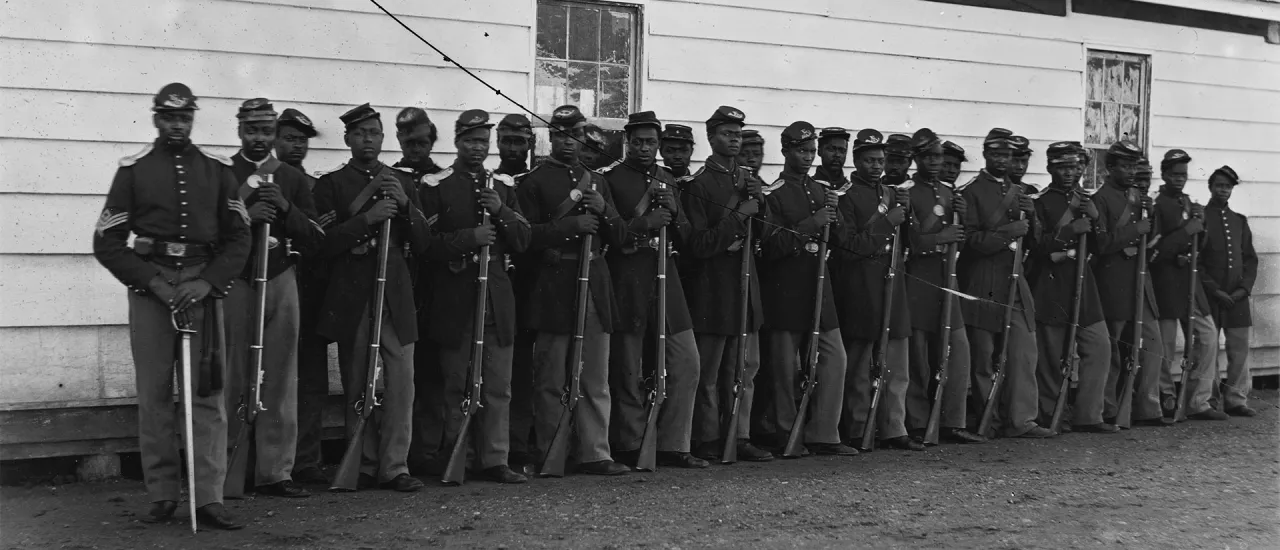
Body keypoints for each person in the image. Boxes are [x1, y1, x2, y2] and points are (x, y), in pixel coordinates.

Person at [92, 83, 249, 529]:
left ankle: (209, 497)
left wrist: (208, 282)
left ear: (192, 119)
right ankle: (162, 494)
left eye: (184, 118)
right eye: (169, 117)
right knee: (155, 394)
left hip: (201, 287)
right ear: (156, 118)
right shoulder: (134, 170)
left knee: (207, 395)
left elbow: (239, 236)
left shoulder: (217, 170)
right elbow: (107, 241)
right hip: (151, 290)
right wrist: (155, 284)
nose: (177, 125)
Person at [312, 103, 432, 491]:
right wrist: (368, 219)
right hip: (354, 293)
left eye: (375, 133)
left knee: (402, 383)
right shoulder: (330, 185)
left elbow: (424, 242)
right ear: (348, 138)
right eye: (361, 133)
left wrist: (405, 205)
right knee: (357, 380)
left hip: (395, 292)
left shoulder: (402, 181)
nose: (368, 140)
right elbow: (322, 244)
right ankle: (362, 462)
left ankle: (395, 465)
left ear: (384, 139)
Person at [418, 110, 532, 483]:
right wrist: (470, 239)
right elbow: (425, 246)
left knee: (498, 385)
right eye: (470, 141)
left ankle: (495, 459)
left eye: (482, 141)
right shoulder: (436, 186)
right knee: (457, 384)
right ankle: (460, 458)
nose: (477, 148)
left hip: (496, 296)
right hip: (456, 297)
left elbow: (523, 239)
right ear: (457, 142)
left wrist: (500, 210)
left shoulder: (503, 186)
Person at [516, 105, 630, 476]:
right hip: (554, 283)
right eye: (561, 135)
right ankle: (552, 450)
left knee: (594, 375)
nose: (569, 142)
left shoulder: (597, 182)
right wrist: (569, 228)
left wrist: (604, 210)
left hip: (594, 280)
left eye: (576, 135)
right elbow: (524, 238)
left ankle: (595, 452)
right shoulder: (534, 182)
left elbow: (621, 236)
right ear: (551, 137)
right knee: (551, 375)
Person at [224, 98, 324, 498]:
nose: (259, 138)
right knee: (234, 374)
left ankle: (275, 471)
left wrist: (284, 206)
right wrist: (247, 216)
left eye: (266, 131)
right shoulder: (223, 173)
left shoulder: (291, 178)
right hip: (236, 280)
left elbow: (316, 238)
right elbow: (209, 233)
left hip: (281, 277)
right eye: (251, 130)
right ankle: (230, 468)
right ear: (239, 131)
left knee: (281, 378)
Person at [601, 111, 706, 469]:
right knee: (629, 365)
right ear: (627, 141)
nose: (645, 148)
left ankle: (674, 444)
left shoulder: (668, 179)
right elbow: (609, 234)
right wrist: (644, 223)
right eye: (638, 141)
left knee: (686, 361)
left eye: (651, 142)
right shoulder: (611, 178)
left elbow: (688, 236)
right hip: (628, 276)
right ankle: (630, 443)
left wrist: (674, 213)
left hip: (666, 275)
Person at [757, 120, 857, 457]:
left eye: (812, 151)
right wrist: (810, 225)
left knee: (834, 358)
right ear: (785, 151)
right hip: (786, 289)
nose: (808, 156)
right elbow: (770, 246)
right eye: (802, 151)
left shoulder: (821, 191)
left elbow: (841, 241)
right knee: (785, 368)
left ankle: (824, 433)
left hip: (819, 287)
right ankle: (787, 433)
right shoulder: (774, 194)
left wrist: (834, 216)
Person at [682, 106, 772, 463]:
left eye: (737, 134)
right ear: (711, 137)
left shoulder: (750, 181)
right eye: (726, 134)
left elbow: (766, 235)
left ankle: (741, 434)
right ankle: (707, 437)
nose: (733, 140)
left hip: (746, 288)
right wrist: (739, 216)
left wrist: (759, 202)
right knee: (709, 372)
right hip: (713, 291)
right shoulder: (699, 184)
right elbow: (699, 244)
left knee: (745, 369)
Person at [958, 128, 1054, 439]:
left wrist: (1032, 218)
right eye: (997, 154)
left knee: (1024, 351)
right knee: (985, 356)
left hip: (1015, 278)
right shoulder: (971, 192)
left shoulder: (1021, 192)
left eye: (1008, 156)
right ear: (986, 154)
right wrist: (1007, 233)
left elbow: (1036, 243)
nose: (1003, 160)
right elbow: (970, 242)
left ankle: (1022, 420)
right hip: (983, 279)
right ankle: (990, 421)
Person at [830, 128, 919, 451]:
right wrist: (887, 222)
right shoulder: (845, 196)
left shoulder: (893, 195)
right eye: (869, 160)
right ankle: (857, 428)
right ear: (856, 161)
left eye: (880, 160)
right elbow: (848, 246)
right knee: (859, 366)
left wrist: (908, 215)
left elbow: (912, 243)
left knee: (896, 364)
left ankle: (895, 428)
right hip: (861, 287)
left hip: (892, 286)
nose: (876, 166)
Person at [902, 129, 985, 444]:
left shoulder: (950, 194)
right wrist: (940, 238)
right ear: (917, 158)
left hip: (947, 279)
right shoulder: (907, 192)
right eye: (929, 157)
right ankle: (918, 422)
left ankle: (953, 420)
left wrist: (960, 220)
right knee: (919, 356)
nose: (935, 162)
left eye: (938, 157)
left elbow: (960, 240)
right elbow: (909, 242)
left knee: (957, 351)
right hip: (919, 279)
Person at [1028, 142, 1116, 434]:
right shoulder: (1040, 202)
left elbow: (1103, 246)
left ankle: (1089, 414)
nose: (1070, 173)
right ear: (1050, 168)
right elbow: (1036, 247)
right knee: (1051, 355)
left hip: (1083, 282)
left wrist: (1096, 218)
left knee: (1099, 346)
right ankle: (1050, 414)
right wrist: (1069, 231)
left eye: (1076, 167)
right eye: (1063, 167)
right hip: (1052, 284)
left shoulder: (1087, 201)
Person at [1090, 141, 1168, 428]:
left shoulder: (1138, 197)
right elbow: (1101, 244)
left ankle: (1148, 406)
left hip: (1140, 282)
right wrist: (1135, 229)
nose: (1131, 171)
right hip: (1115, 282)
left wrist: (1150, 216)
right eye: (1125, 166)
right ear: (1109, 168)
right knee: (1113, 347)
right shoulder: (1100, 199)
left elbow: (1152, 237)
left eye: (1134, 166)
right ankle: (1109, 408)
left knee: (1152, 342)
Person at [275, 108, 333, 486]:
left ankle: (307, 459)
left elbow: (324, 238)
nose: (296, 145)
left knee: (311, 379)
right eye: (289, 138)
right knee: (272, 375)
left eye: (302, 139)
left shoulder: (316, 188)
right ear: (275, 140)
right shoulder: (262, 181)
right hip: (271, 289)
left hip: (309, 291)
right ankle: (267, 459)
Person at [390, 107, 448, 475]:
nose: (416, 148)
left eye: (423, 142)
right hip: (401, 283)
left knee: (432, 371)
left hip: (435, 285)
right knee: (399, 374)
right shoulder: (390, 177)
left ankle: (427, 450)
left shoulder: (442, 180)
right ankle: (399, 451)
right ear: (399, 140)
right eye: (409, 142)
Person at [1150, 149, 1227, 421]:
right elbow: (1154, 251)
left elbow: (1200, 245)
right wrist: (1187, 231)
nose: (1179, 179)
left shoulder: (1187, 202)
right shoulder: (1157, 204)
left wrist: (1200, 225)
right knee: (1166, 345)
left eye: (1183, 174)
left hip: (1190, 283)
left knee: (1208, 336)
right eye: (1174, 174)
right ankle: (1167, 397)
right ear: (1164, 175)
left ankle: (1198, 400)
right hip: (1167, 283)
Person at [494, 113, 540, 474]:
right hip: (497, 286)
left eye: (519, 141)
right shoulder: (491, 183)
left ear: (531, 144)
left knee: (526, 371)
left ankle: (522, 442)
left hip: (531, 286)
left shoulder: (535, 182)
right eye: (506, 140)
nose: (512, 148)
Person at [1201, 166, 1258, 417]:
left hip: (1237, 297)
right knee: (1208, 349)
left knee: (1240, 348)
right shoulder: (1201, 218)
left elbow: (1250, 260)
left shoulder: (1239, 221)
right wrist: (1214, 290)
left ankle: (1236, 399)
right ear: (1210, 187)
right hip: (1211, 297)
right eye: (1219, 185)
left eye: (1227, 186)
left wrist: (1243, 289)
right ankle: (1209, 400)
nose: (1223, 190)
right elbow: (1198, 263)